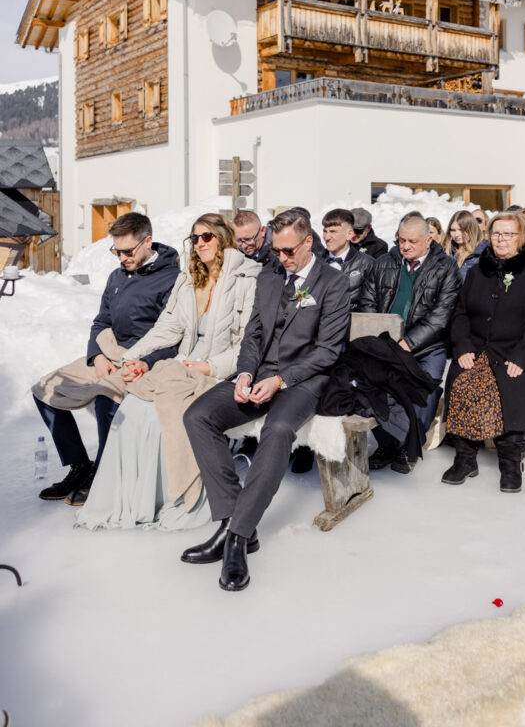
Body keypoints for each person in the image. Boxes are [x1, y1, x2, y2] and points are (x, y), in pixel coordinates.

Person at [180, 209, 351, 591]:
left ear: (309, 243)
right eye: (277, 251)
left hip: (304, 381)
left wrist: (280, 379)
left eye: (289, 250)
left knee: (278, 428)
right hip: (259, 375)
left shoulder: (333, 283)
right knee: (198, 415)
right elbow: (253, 335)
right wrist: (243, 374)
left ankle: (238, 538)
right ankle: (230, 521)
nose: (282, 258)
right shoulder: (269, 276)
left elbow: (327, 351)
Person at [77, 214, 261, 529]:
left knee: (162, 416)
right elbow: (168, 326)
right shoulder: (190, 279)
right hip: (184, 362)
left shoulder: (248, 279)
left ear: (222, 238)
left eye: (207, 237)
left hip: (220, 369)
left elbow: (248, 343)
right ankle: (129, 499)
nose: (199, 243)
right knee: (133, 408)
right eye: (194, 238)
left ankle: (172, 497)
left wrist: (210, 366)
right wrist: (133, 357)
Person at [32, 213, 180, 505]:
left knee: (105, 397)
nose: (122, 257)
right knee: (44, 389)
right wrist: (96, 355)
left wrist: (145, 363)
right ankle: (79, 465)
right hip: (110, 352)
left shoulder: (172, 279)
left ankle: (103, 472)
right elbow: (101, 321)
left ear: (147, 241)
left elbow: (176, 335)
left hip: (143, 360)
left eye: (128, 251)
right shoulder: (117, 276)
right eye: (117, 251)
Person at [443, 210, 525, 492]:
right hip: (476, 348)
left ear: (521, 237)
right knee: (463, 382)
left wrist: (522, 356)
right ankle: (465, 457)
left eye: (508, 234)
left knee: (509, 386)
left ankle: (510, 463)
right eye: (496, 233)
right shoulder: (476, 271)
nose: (501, 239)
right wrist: (462, 346)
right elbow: (460, 313)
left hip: (517, 351)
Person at [357, 211, 462, 472]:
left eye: (412, 241)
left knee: (423, 390)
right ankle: (387, 443)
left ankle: (408, 445)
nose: (405, 246)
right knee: (375, 388)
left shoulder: (445, 266)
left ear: (428, 240)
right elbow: (367, 302)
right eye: (401, 240)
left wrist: (409, 343)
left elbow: (442, 315)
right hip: (386, 343)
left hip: (427, 346)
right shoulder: (383, 263)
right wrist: (380, 340)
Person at [321, 207, 375, 309]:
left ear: (349, 234)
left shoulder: (367, 264)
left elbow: (369, 305)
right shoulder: (314, 261)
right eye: (325, 231)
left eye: (333, 232)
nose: (326, 237)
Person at [445, 210, 486, 280]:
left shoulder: (484, 254)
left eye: (461, 230)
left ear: (471, 229)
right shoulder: (446, 253)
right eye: (453, 230)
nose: (456, 234)